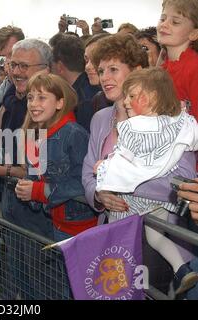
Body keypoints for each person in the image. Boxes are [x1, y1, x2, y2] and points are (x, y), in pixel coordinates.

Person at [82, 33, 196, 295]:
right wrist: (99, 193)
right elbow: (89, 171)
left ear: (137, 71)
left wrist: (124, 183)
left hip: (158, 238)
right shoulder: (100, 118)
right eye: (101, 71)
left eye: (113, 69)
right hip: (113, 234)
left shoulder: (171, 119)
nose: (105, 78)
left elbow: (183, 178)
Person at [15, 73, 97, 241]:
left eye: (42, 97)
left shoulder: (73, 133)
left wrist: (38, 191)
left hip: (82, 228)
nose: (33, 104)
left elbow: (84, 180)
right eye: (30, 98)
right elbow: (34, 174)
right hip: (55, 222)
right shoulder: (32, 136)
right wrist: (25, 188)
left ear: (60, 103)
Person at [157, 0, 198, 120]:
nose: (164, 24)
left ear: (194, 34)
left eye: (175, 22)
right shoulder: (163, 68)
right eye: (162, 19)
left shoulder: (194, 69)